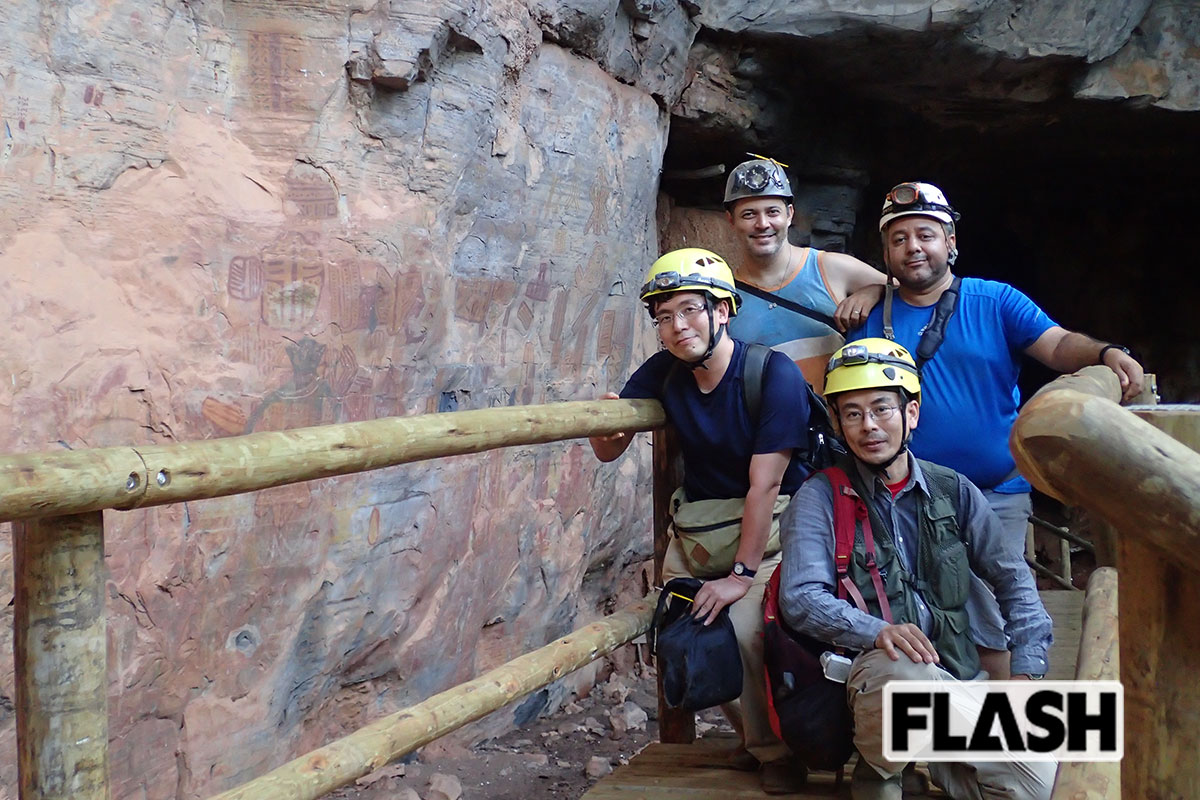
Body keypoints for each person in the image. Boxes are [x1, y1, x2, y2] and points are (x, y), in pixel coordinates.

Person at [849, 181, 1145, 678]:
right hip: (905, 499)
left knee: (997, 615)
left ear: (951, 243)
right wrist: (868, 291)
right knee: (924, 614)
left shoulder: (995, 301)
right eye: (898, 239)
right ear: (885, 254)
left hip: (994, 495)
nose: (913, 247)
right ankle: (952, 737)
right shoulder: (868, 316)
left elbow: (1054, 346)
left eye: (926, 234)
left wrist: (1105, 353)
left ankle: (1013, 739)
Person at [778, 338, 1056, 800]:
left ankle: (947, 765)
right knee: (904, 670)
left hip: (958, 683)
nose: (869, 426)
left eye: (882, 409)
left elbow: (1013, 579)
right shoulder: (820, 496)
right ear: (837, 423)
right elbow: (801, 598)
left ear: (911, 413)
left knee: (1040, 784)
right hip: (872, 683)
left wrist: (1026, 674)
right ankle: (880, 772)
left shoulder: (955, 489)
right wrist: (876, 632)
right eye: (852, 413)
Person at [589, 247, 812, 793]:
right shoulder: (667, 370)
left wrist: (740, 576)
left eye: (690, 309)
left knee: (744, 632)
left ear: (723, 311)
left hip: (771, 527)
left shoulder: (771, 374)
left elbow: (766, 484)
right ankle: (754, 741)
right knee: (687, 629)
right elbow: (606, 450)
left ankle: (778, 752)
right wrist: (608, 421)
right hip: (699, 527)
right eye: (664, 316)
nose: (676, 325)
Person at [723, 157, 888, 391]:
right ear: (731, 220)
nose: (762, 224)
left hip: (840, 423)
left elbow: (911, 294)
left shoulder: (831, 269)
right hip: (770, 426)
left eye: (772, 212)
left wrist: (875, 291)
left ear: (789, 214)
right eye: (749, 214)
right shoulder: (724, 297)